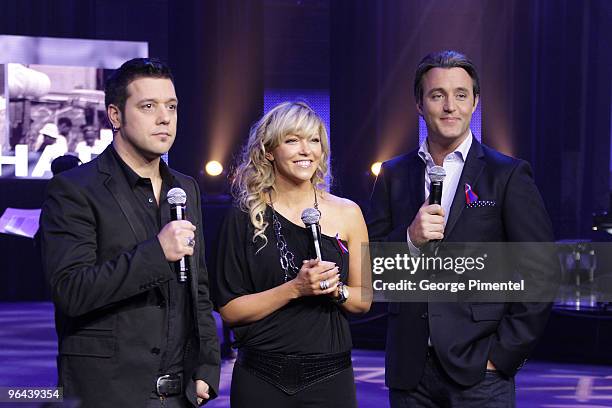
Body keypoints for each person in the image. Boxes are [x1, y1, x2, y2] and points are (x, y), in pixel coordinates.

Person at [367, 50, 555, 407]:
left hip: (481, 373)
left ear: (475, 102)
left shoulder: (507, 175)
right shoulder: (393, 174)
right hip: (410, 373)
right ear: (419, 104)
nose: (449, 106)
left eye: (461, 95)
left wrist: (502, 356)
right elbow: (367, 265)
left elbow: (541, 272)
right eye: (437, 95)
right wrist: (409, 239)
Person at [40, 58, 220, 407]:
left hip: (179, 392)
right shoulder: (74, 189)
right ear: (116, 116)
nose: (164, 117)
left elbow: (198, 289)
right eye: (148, 106)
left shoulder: (185, 189)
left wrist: (207, 368)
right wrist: (156, 252)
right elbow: (70, 291)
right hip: (107, 391)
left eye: (171, 106)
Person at [214, 101, 371, 407]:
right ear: (269, 151)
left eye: (314, 140)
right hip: (261, 376)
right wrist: (296, 288)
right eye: (292, 140)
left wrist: (334, 289)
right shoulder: (245, 215)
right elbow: (230, 311)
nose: (306, 150)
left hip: (330, 377)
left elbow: (364, 299)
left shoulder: (349, 212)